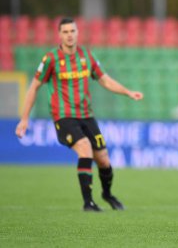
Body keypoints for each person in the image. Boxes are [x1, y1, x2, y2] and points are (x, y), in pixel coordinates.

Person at [15, 17, 144, 212]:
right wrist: (24, 119)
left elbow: (105, 80)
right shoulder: (50, 59)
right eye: (65, 32)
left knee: (104, 160)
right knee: (85, 148)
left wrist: (127, 92)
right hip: (64, 116)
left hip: (86, 115)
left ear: (77, 33)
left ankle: (107, 194)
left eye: (72, 31)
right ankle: (88, 203)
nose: (69, 35)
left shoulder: (86, 56)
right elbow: (34, 87)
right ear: (59, 35)